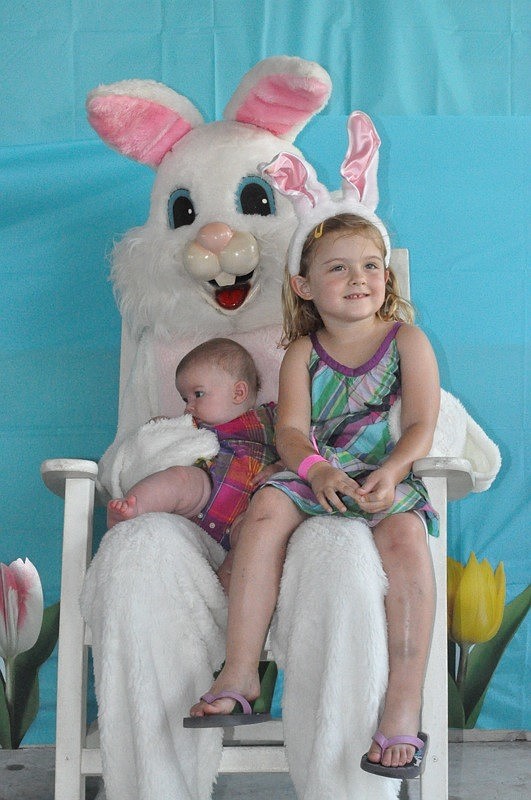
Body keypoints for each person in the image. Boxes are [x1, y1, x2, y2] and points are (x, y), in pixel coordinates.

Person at [187, 208, 440, 778]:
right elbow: (291, 431)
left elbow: (422, 424)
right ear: (304, 286)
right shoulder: (303, 351)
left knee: (406, 539)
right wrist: (318, 472)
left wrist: (396, 470)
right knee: (267, 507)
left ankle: (402, 705)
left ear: (387, 279)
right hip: (315, 468)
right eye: (339, 268)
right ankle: (242, 671)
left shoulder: (407, 340)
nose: (358, 278)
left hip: (382, 468)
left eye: (371, 266)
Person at [107, 337, 282, 590]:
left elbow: (296, 443)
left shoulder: (270, 419)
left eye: (197, 394)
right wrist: (161, 427)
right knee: (180, 478)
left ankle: (225, 586)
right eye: (185, 398)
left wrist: (279, 468)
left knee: (255, 534)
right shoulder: (194, 426)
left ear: (239, 392)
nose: (189, 406)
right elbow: (158, 442)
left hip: (247, 509)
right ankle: (134, 507)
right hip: (205, 495)